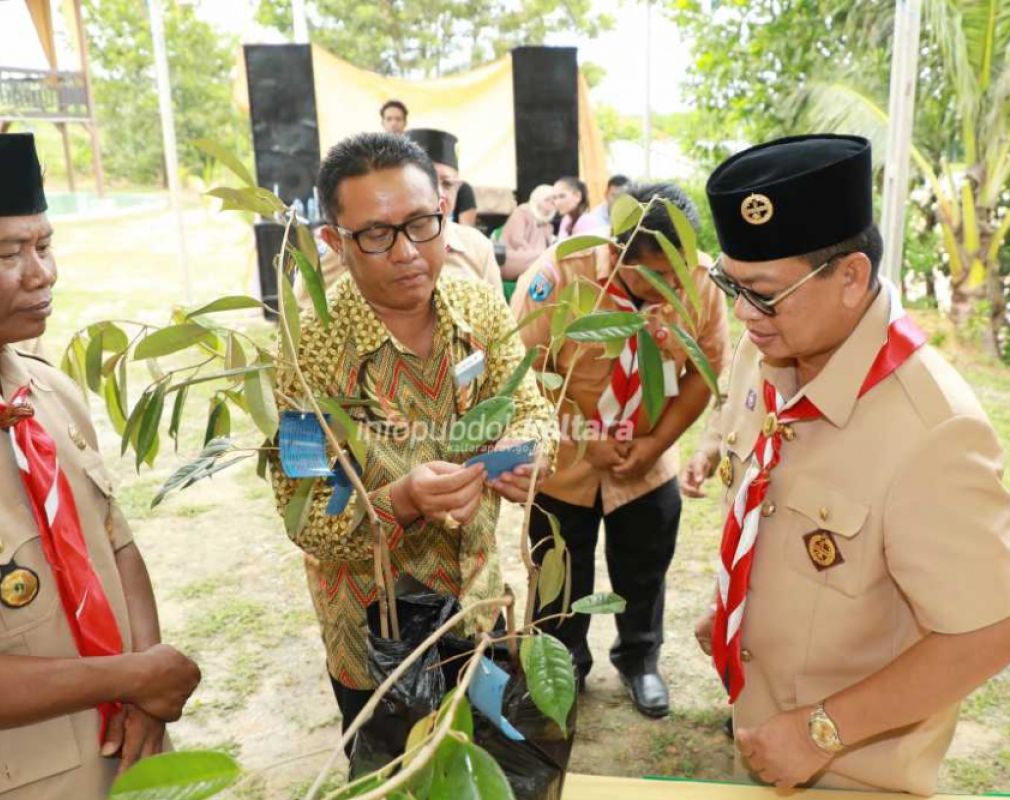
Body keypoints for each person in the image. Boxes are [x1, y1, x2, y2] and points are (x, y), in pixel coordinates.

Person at [682, 134, 1010, 794]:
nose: (743, 315)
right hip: (758, 731)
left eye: (765, 293)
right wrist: (741, 606)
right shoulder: (773, 349)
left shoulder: (936, 430)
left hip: (852, 774)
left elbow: (990, 635)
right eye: (732, 285)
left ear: (851, 278)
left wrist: (820, 732)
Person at [0, 133, 201, 798]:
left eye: (44, 245)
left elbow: (116, 548)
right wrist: (130, 678)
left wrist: (142, 684)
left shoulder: (42, 391)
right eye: (9, 253)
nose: (43, 273)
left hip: (130, 759)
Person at [270, 132, 559, 733]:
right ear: (334, 242)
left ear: (444, 215)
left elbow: (533, 412)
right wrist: (401, 501)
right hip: (375, 633)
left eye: (422, 224)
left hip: (478, 606)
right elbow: (305, 514)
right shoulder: (306, 354)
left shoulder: (478, 308)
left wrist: (523, 454)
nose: (406, 252)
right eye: (377, 234)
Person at [510, 183, 729, 717]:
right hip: (566, 459)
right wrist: (584, 437)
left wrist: (657, 443)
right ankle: (563, 666)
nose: (670, 289)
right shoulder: (563, 274)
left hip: (647, 461)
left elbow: (705, 372)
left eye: (677, 275)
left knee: (644, 568)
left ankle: (640, 660)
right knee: (559, 567)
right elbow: (522, 371)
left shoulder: (701, 281)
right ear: (618, 251)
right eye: (653, 277)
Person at [301, 128, 503, 304]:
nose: (406, 253)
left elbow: (499, 334)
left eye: (448, 183)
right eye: (379, 234)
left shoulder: (477, 248)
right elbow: (304, 316)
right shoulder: (347, 246)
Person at [499, 184, 555, 281]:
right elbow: (516, 240)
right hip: (514, 256)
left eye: (553, 200)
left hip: (536, 258)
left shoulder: (548, 224)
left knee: (550, 259)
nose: (551, 203)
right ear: (537, 200)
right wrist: (536, 254)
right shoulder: (522, 212)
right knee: (546, 259)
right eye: (547, 199)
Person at [552, 176, 598, 240]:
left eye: (562, 196)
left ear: (577, 196)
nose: (557, 202)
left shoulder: (587, 221)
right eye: (554, 197)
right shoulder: (566, 219)